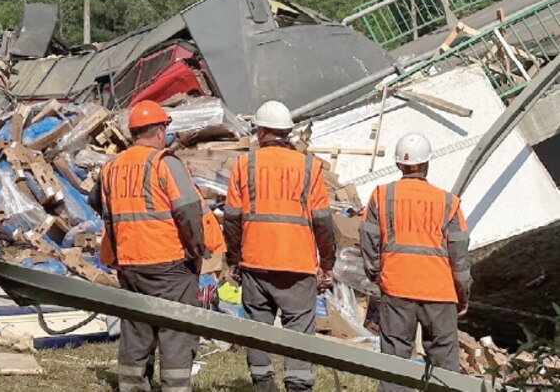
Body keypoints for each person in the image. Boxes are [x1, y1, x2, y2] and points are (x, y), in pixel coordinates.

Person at [90, 100, 209, 392]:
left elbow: (96, 202)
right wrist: (195, 252)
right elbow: (190, 211)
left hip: (130, 264)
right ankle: (175, 387)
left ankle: (132, 385)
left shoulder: (111, 168)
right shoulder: (164, 163)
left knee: (136, 329)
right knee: (177, 331)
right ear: (159, 131)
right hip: (170, 265)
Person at [223, 100, 336, 392]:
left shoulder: (244, 165)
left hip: (255, 264)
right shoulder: (309, 167)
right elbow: (323, 222)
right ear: (288, 133)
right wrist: (327, 265)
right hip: (297, 268)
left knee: (257, 331)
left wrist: (233, 260)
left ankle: (263, 385)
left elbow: (232, 219)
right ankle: (298, 385)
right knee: (299, 332)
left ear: (261, 132)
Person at [360, 133, 471, 392]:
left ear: (399, 164)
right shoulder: (448, 202)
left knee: (395, 363)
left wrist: (377, 274)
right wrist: (462, 292)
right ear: (427, 164)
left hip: (397, 288)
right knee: (445, 366)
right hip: (440, 293)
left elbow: (368, 238)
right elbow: (460, 255)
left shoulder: (381, 195)